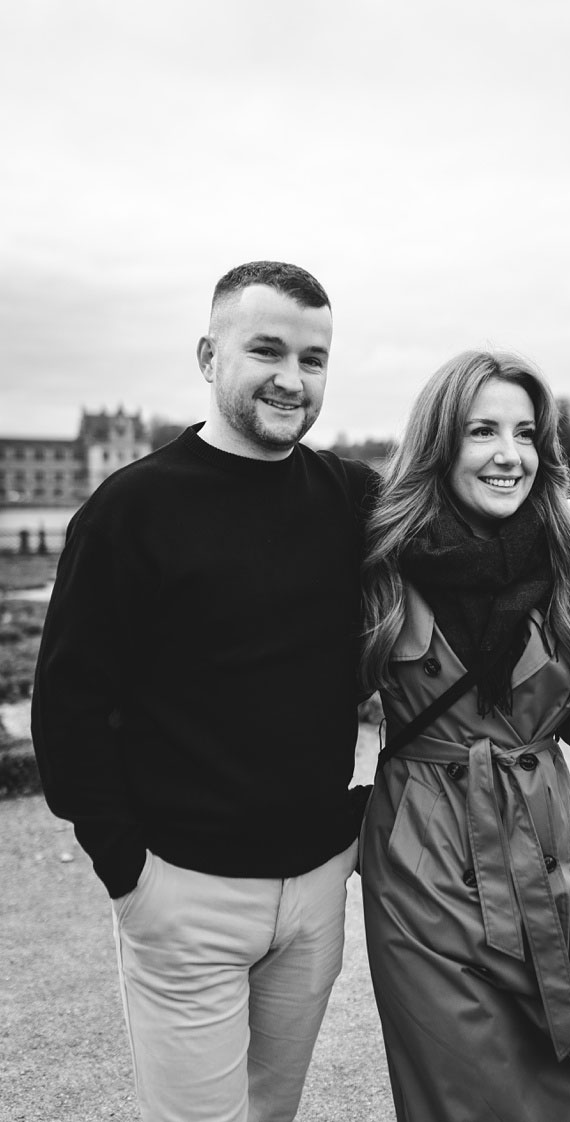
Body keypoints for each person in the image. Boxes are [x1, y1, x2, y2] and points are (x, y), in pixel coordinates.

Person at [32, 261, 376, 1119]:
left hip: (316, 890)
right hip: (183, 893)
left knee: (273, 1112)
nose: (293, 379)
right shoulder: (129, 510)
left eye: (315, 358)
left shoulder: (352, 499)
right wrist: (130, 875)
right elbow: (66, 710)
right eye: (267, 349)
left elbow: (480, 526)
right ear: (207, 354)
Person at [357, 350, 570, 1121]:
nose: (510, 455)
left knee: (566, 1075)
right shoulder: (381, 565)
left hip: (542, 861)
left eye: (526, 433)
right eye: (483, 431)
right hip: (420, 862)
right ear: (440, 444)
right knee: (466, 1090)